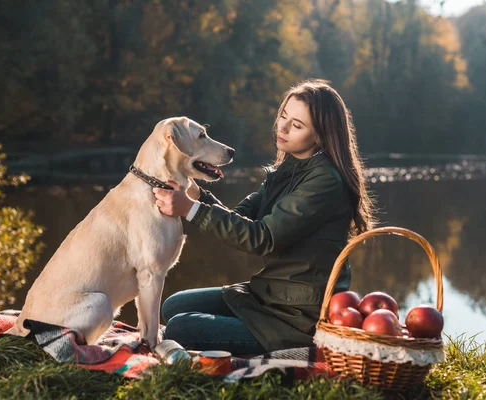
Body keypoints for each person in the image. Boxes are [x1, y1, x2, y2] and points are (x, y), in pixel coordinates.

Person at [153, 79, 376, 355]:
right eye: (284, 115)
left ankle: (262, 339)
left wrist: (188, 209)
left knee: (180, 328)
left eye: (296, 125)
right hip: (267, 296)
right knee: (173, 306)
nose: (282, 127)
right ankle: (234, 328)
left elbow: (262, 238)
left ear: (320, 136)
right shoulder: (289, 168)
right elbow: (241, 220)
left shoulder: (324, 180)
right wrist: (198, 197)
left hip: (296, 317)